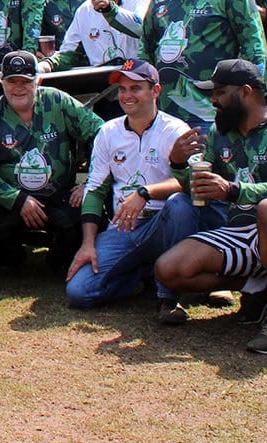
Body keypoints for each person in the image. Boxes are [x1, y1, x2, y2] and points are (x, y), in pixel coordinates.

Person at [153, 59, 267, 353]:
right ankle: (260, 283)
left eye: (219, 92)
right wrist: (177, 164)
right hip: (240, 233)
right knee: (168, 269)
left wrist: (235, 190)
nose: (212, 100)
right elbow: (199, 189)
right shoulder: (219, 133)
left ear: (246, 92)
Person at [65, 61, 203, 318]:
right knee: (79, 292)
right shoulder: (108, 132)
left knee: (180, 204)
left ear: (156, 91)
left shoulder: (175, 130)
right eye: (122, 89)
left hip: (163, 223)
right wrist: (88, 243)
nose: (127, 96)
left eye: (136, 88)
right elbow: (94, 190)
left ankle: (170, 298)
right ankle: (143, 274)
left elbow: (192, 184)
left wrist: (145, 192)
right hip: (124, 227)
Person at [0, 50, 104, 271]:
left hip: (59, 197)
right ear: (2, 82)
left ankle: (60, 256)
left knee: (90, 206)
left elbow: (104, 136)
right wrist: (16, 199)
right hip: (13, 202)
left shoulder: (58, 101)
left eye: (25, 81)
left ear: (39, 80)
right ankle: (11, 258)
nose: (18, 87)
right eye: (12, 81)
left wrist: (91, 182)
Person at [139, 0, 267, 125]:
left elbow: (255, 51)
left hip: (215, 112)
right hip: (167, 114)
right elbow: (146, 50)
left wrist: (251, 105)